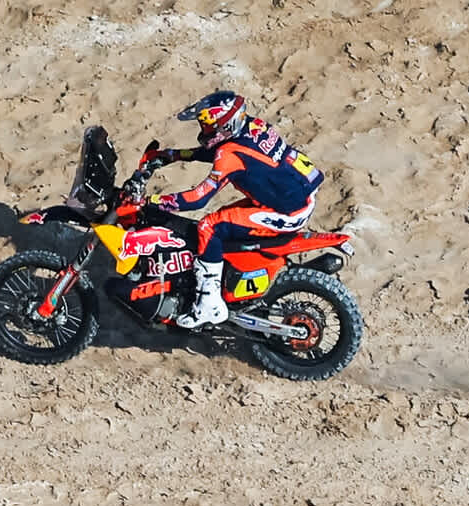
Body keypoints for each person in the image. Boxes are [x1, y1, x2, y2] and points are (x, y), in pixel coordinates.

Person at [140, 87, 328, 330]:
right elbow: (214, 152)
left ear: (225, 125)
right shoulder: (254, 126)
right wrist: (173, 155)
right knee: (224, 224)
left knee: (209, 226)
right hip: (296, 196)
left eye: (208, 126)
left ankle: (209, 305)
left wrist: (152, 201)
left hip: (287, 212)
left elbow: (197, 199)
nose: (204, 131)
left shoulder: (230, 154)